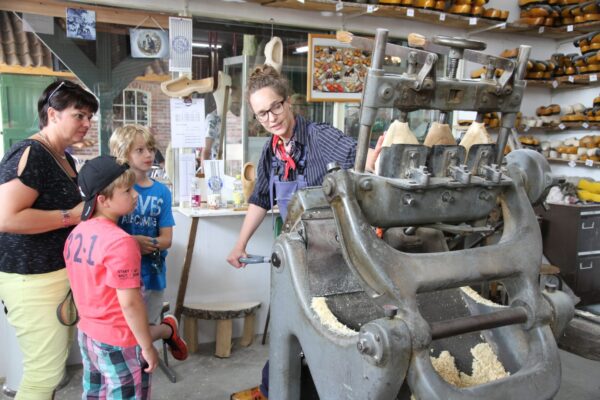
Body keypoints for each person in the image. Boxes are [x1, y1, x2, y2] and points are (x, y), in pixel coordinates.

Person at [226, 65, 381, 400]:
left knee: (329, 332)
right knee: (294, 330)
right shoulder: (271, 152)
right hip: (298, 260)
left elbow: (361, 158)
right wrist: (239, 244)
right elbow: (261, 198)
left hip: (336, 259)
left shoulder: (319, 137)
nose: (271, 118)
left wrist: (376, 158)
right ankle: (285, 386)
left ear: (289, 102)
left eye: (276, 107)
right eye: (262, 113)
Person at [0, 79, 97, 399]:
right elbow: (6, 217)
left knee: (51, 370)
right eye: (79, 115)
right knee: (44, 374)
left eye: (89, 117)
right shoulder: (32, 153)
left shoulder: (63, 157)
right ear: (52, 115)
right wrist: (70, 215)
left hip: (55, 275)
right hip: (32, 278)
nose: (87, 123)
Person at [64, 155, 187, 399]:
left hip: (87, 334)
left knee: (93, 393)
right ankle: (165, 330)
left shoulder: (77, 233)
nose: (136, 195)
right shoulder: (121, 243)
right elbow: (130, 304)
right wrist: (147, 347)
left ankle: (165, 329)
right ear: (103, 200)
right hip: (120, 340)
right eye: (127, 190)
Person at [109, 124, 176, 327]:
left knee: (147, 329)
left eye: (151, 148)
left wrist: (146, 244)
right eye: (139, 150)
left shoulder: (162, 192)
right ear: (122, 153)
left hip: (153, 274)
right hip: (119, 274)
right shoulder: (114, 189)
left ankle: (162, 338)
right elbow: (105, 231)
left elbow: (167, 239)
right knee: (124, 331)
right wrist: (131, 244)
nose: (148, 154)